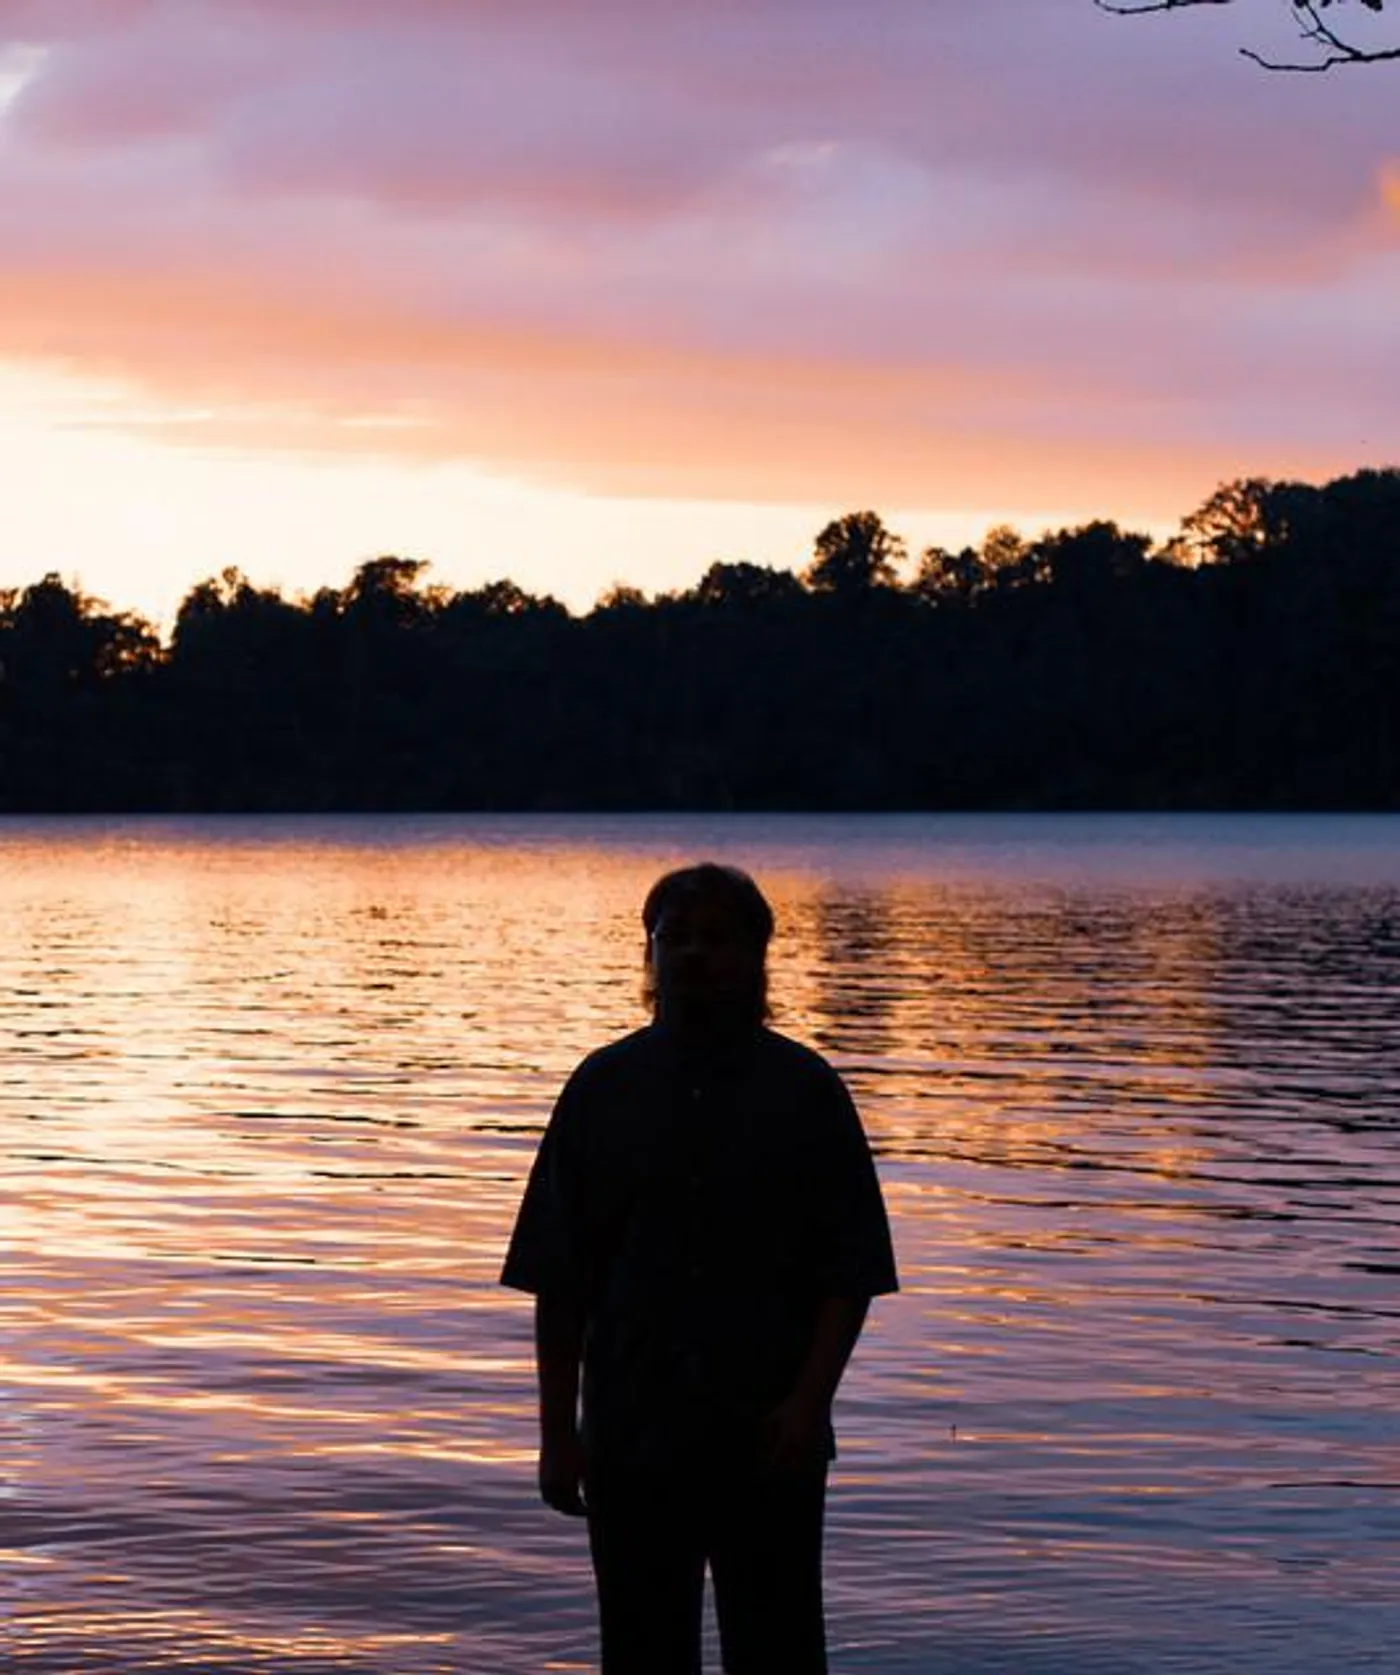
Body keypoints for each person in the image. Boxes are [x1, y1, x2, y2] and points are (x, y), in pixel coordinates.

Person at [500, 862, 898, 1674]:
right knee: (642, 1652)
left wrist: (807, 1403)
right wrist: (556, 1435)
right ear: (649, 955)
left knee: (780, 1650)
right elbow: (558, 1279)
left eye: (717, 939)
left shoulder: (806, 1090)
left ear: (757, 956)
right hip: (632, 1432)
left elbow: (849, 1271)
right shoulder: (602, 1089)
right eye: (674, 938)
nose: (693, 955)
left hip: (769, 1434)